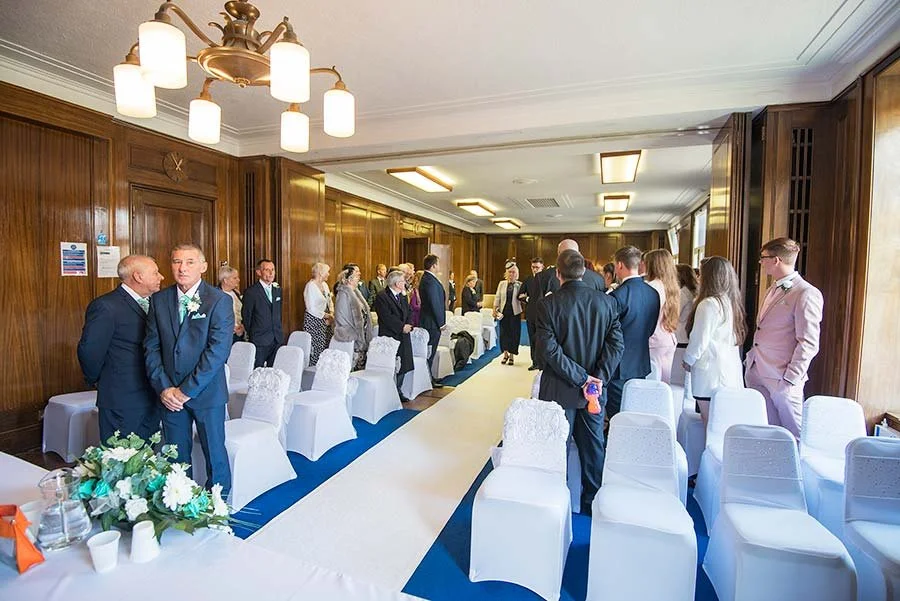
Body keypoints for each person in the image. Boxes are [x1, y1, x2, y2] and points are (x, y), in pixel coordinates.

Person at [536, 249, 624, 514]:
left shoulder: (548, 305)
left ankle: (554, 501)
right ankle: (591, 503)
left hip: (559, 389)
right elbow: (617, 346)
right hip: (594, 394)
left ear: (557, 274)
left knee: (556, 447)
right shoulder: (606, 302)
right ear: (584, 272)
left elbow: (550, 352)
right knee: (593, 446)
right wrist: (596, 380)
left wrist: (583, 379)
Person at [144, 244, 233, 495]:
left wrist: (186, 390)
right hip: (169, 395)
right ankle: (181, 502)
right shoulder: (159, 300)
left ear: (203, 267)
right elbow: (151, 347)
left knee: (214, 452)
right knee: (175, 455)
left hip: (206, 393)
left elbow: (217, 352)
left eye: (190, 262)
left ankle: (217, 505)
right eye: (176, 262)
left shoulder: (219, 301)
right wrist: (164, 388)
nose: (182, 268)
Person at [77, 255, 164, 442]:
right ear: (138, 276)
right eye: (155, 273)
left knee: (147, 457)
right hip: (121, 397)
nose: (161, 277)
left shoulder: (156, 303)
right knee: (120, 458)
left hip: (152, 394)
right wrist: (98, 379)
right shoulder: (106, 306)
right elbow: (89, 350)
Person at [745, 237, 823, 438]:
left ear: (776, 260)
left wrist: (791, 379)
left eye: (763, 258)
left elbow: (809, 342)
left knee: (795, 435)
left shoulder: (806, 293)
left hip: (783, 377)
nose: (761, 263)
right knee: (769, 431)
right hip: (759, 369)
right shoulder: (772, 288)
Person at [682, 257, 746, 424]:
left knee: (710, 422)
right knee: (719, 422)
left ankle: (709, 450)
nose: (698, 278)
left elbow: (699, 339)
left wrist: (688, 360)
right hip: (727, 370)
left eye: (701, 274)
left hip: (711, 371)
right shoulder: (730, 302)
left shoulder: (708, 304)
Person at [607, 246, 660, 418]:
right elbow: (650, 328)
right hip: (641, 362)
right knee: (636, 412)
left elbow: (610, 333)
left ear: (620, 265)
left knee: (619, 416)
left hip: (618, 365)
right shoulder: (653, 293)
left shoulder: (617, 296)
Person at [374, 270, 414, 402]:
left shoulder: (402, 296)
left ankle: (398, 389)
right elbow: (386, 316)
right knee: (390, 364)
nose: (405, 283)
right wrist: (401, 327)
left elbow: (409, 311)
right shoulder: (382, 296)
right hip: (390, 335)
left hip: (404, 335)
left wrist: (408, 324)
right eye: (403, 281)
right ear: (397, 283)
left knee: (404, 364)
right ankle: (389, 391)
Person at [644, 249, 679, 383]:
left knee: (652, 386)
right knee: (665, 385)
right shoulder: (672, 287)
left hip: (653, 342)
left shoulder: (651, 287)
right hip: (668, 339)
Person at [241, 259, 283, 368]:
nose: (271, 273)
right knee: (257, 372)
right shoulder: (251, 292)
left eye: (272, 270)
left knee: (273, 373)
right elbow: (246, 317)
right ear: (259, 272)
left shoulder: (277, 290)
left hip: (276, 338)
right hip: (259, 340)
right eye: (267, 270)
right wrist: (254, 333)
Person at [333, 264, 371, 370]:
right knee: (352, 370)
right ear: (349, 280)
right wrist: (355, 335)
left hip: (360, 337)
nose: (359, 277)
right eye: (356, 276)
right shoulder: (344, 294)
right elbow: (343, 317)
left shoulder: (355, 292)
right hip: (351, 339)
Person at [418, 254, 447, 387]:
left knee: (431, 351)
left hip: (431, 321)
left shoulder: (429, 278)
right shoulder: (429, 280)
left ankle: (429, 377)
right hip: (431, 323)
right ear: (433, 265)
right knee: (429, 352)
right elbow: (435, 303)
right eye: (438, 263)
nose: (439, 266)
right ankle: (427, 380)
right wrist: (441, 323)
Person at [303, 262, 334, 366]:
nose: (329, 274)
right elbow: (311, 308)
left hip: (326, 321)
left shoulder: (325, 285)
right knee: (316, 348)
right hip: (314, 322)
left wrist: (331, 314)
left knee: (326, 346)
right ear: (321, 273)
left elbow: (330, 300)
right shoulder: (310, 286)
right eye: (327, 272)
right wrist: (326, 315)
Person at [494, 261, 524, 365]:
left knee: (513, 334)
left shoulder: (519, 285)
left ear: (517, 273)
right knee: (503, 333)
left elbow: (523, 298)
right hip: (503, 312)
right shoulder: (502, 284)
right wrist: (494, 309)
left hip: (515, 313)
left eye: (513, 272)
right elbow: (497, 297)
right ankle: (505, 354)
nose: (511, 274)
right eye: (509, 272)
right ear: (506, 273)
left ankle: (511, 355)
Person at [521, 257, 545, 368]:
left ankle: (543, 362)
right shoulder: (528, 279)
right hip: (531, 313)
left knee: (543, 339)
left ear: (542, 267)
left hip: (544, 314)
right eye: (533, 267)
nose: (534, 269)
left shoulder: (546, 279)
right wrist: (528, 299)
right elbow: (520, 295)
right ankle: (534, 362)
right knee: (532, 338)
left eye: (537, 267)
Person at [218, 265, 245, 344]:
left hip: (239, 334)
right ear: (225, 280)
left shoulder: (236, 293)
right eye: (235, 278)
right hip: (224, 335)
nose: (238, 280)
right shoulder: (216, 295)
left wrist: (242, 327)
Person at [675, 263, 699, 347]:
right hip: (687, 336)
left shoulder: (683, 293)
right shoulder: (693, 292)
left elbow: (674, 314)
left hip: (680, 336)